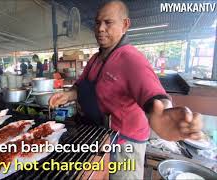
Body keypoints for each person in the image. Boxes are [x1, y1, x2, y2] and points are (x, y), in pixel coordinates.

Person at [49, 1, 203, 179]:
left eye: (108, 22)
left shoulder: (131, 59)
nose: (100, 28)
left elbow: (154, 95)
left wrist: (163, 113)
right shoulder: (95, 59)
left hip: (125, 144)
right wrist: (68, 95)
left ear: (125, 25)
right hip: (101, 134)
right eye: (98, 23)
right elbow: (81, 85)